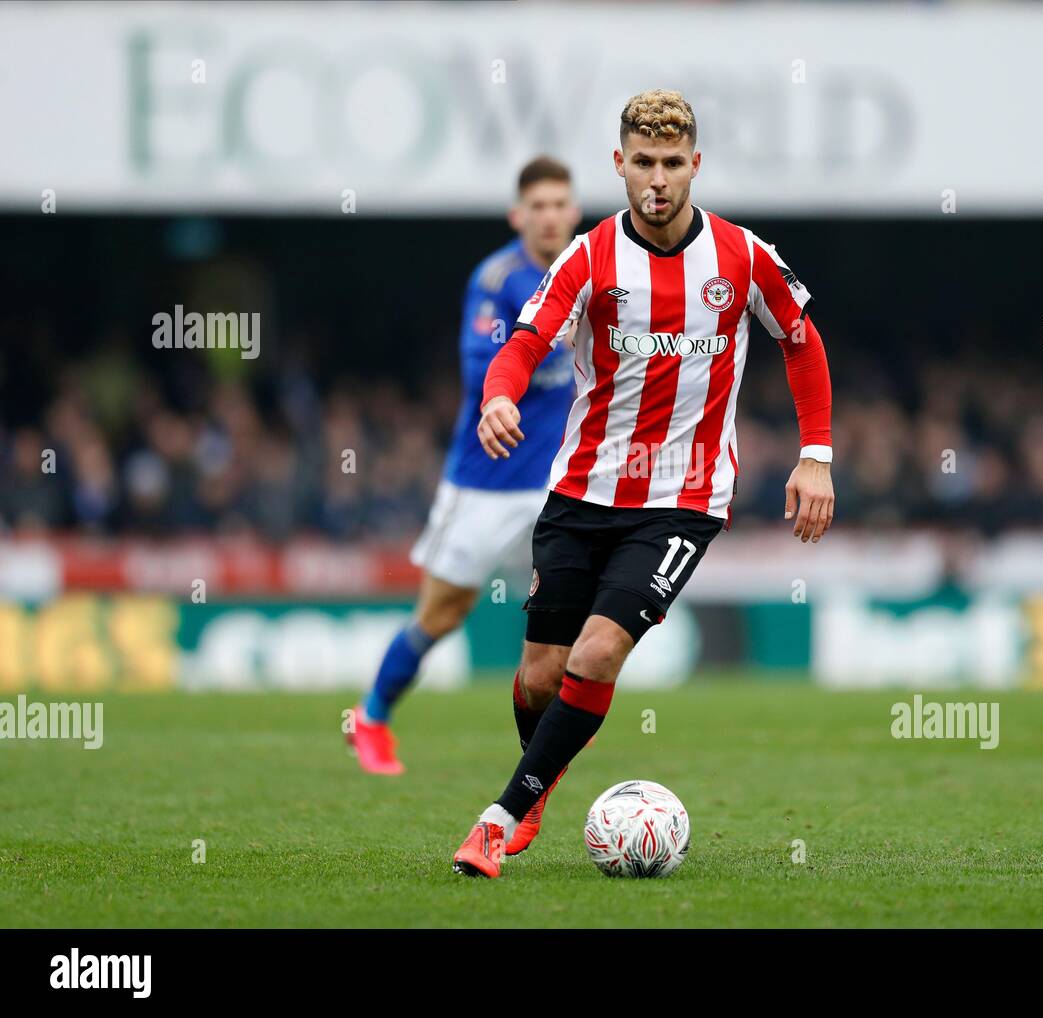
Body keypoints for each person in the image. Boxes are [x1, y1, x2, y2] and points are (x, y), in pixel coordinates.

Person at [451, 90, 835, 877]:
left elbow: (801, 339)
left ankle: (501, 817)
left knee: (595, 657)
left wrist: (817, 455)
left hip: (682, 501)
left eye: (672, 164)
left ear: (695, 166)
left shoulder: (741, 257)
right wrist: (498, 393)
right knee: (539, 676)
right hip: (582, 491)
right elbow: (525, 341)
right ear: (619, 166)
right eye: (643, 164)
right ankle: (543, 779)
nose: (657, 180)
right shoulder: (589, 257)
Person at [348, 157, 580, 779]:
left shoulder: (591, 269)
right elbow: (483, 372)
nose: (552, 216)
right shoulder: (498, 279)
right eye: (540, 206)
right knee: (442, 614)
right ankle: (370, 718)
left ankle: (546, 756)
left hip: (562, 480)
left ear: (575, 210)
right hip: (488, 480)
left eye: (561, 203)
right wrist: (551, 340)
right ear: (518, 215)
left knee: (586, 615)